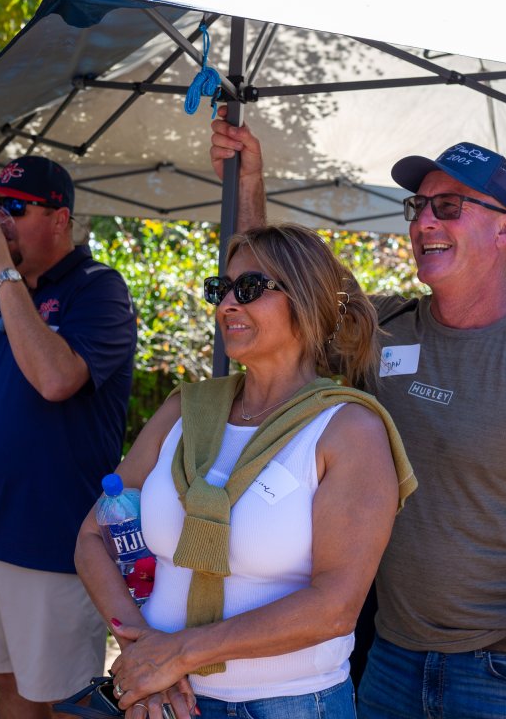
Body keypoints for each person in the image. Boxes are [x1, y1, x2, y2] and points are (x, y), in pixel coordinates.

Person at [209, 114, 506, 718]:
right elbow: (275, 287)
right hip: (391, 659)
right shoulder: (382, 329)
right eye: (419, 206)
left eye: (449, 206)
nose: (425, 220)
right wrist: (249, 182)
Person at [75, 223, 416, 719]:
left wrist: (178, 653)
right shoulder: (184, 412)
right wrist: (141, 648)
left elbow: (336, 606)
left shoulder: (348, 430)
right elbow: (93, 535)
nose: (227, 304)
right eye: (222, 289)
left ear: (305, 302)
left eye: (250, 288)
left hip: (289, 705)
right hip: (163, 697)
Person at [0, 156, 138, 718]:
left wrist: (3, 278)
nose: (0, 220)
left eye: (16, 209)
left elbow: (56, 380)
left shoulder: (97, 288)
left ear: (61, 219)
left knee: (62, 700)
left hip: (53, 536)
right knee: (10, 688)